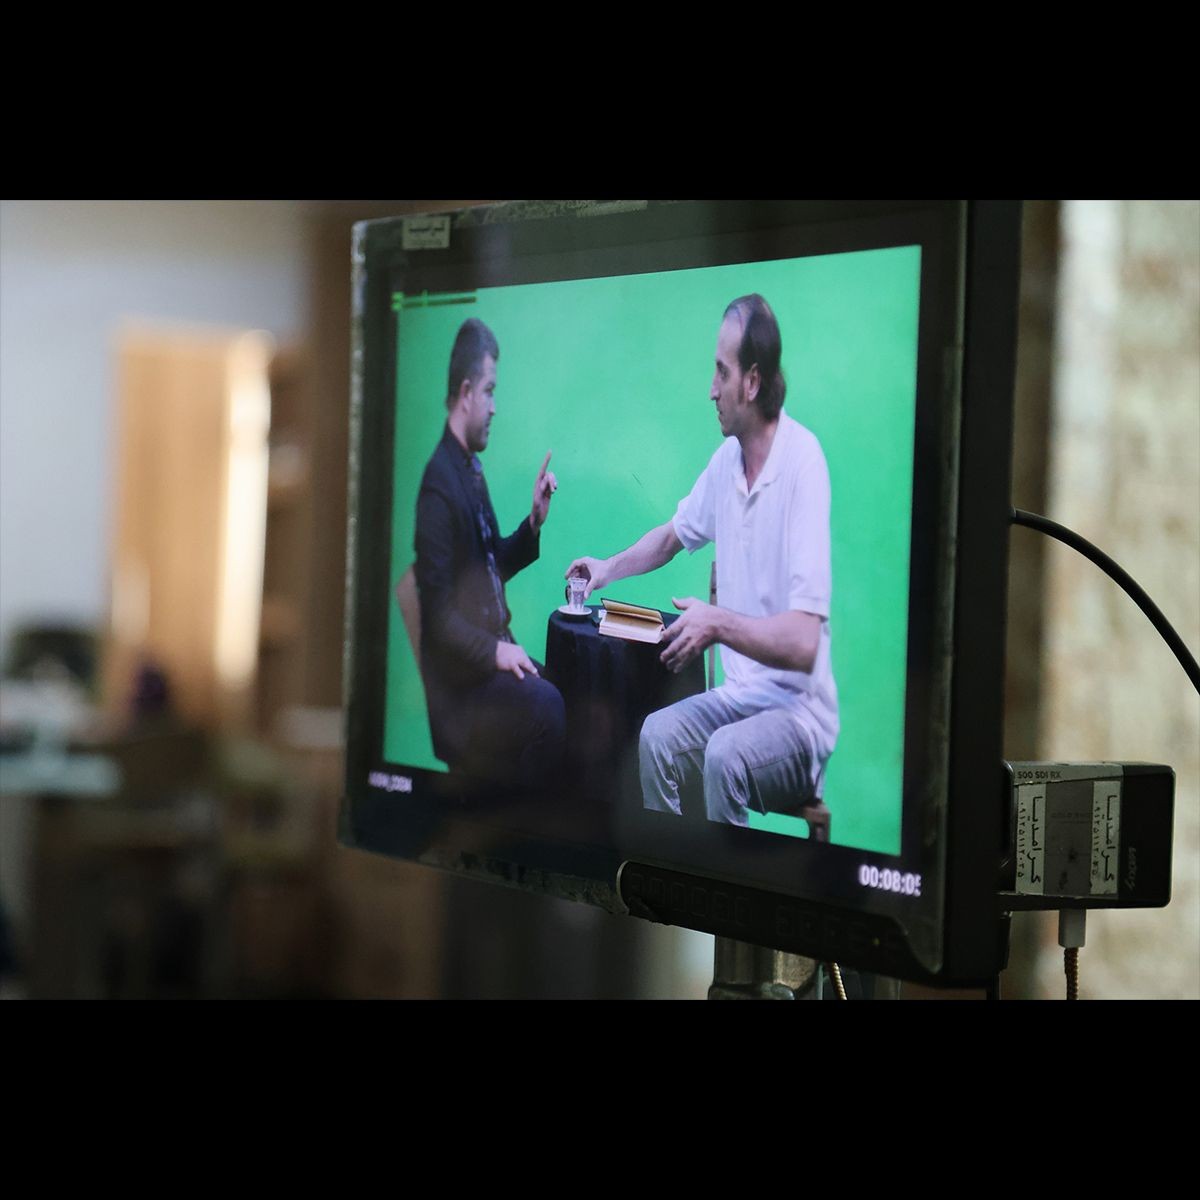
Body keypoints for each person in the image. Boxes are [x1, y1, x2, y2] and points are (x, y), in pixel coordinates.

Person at [565, 294, 838, 827]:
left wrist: (717, 624)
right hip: (738, 701)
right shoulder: (726, 464)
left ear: (752, 382)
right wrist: (606, 568)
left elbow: (805, 643)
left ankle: (727, 881)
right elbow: (672, 536)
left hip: (798, 718)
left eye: (721, 372)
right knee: (656, 736)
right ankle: (676, 870)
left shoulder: (803, 464)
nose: (711, 389)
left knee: (723, 756)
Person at [413, 318, 565, 790]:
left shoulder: (468, 470)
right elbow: (438, 619)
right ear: (466, 393)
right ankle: (516, 819)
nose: (495, 406)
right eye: (490, 391)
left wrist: (533, 522)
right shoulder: (439, 486)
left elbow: (488, 569)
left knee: (570, 687)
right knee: (548, 708)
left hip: (483, 670)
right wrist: (498, 652)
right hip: (463, 693)